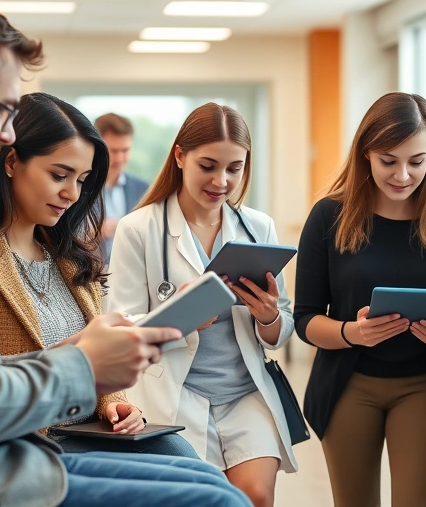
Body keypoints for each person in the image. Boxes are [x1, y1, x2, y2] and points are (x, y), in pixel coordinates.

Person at [0, 0, 250, 507]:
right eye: (2, 110)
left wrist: (83, 354)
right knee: (217, 500)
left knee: (210, 484)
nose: (7, 135)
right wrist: (84, 366)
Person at [0, 92, 197, 457]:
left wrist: (115, 405)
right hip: (34, 441)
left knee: (184, 458)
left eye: (83, 180)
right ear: (11, 161)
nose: (72, 193)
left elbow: (97, 361)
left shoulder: (71, 259)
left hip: (91, 433)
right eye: (60, 175)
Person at [107, 102, 297, 507]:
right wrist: (182, 312)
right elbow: (119, 328)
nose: (221, 181)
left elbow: (280, 329)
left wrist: (267, 317)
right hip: (177, 393)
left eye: (234, 168)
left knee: (258, 496)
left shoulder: (257, 227)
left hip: (245, 391)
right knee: (208, 498)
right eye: (208, 166)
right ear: (179, 156)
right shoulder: (139, 229)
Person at [293, 92, 426, 507]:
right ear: (365, 154)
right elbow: (305, 320)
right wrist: (352, 332)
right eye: (388, 161)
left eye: (417, 161)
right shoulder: (329, 216)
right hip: (346, 385)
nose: (403, 175)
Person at [95, 112, 149, 262]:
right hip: (90, 275)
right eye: (113, 151)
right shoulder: (81, 187)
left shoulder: (143, 189)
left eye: (125, 150)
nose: (119, 158)